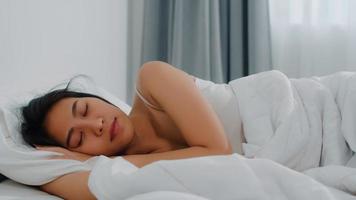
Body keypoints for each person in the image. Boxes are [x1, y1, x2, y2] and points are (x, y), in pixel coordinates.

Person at [20, 61, 245, 200]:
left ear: (93, 97)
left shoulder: (152, 79)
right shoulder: (122, 173)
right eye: (79, 138)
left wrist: (102, 161)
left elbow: (219, 152)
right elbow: (57, 181)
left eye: (85, 109)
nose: (97, 125)